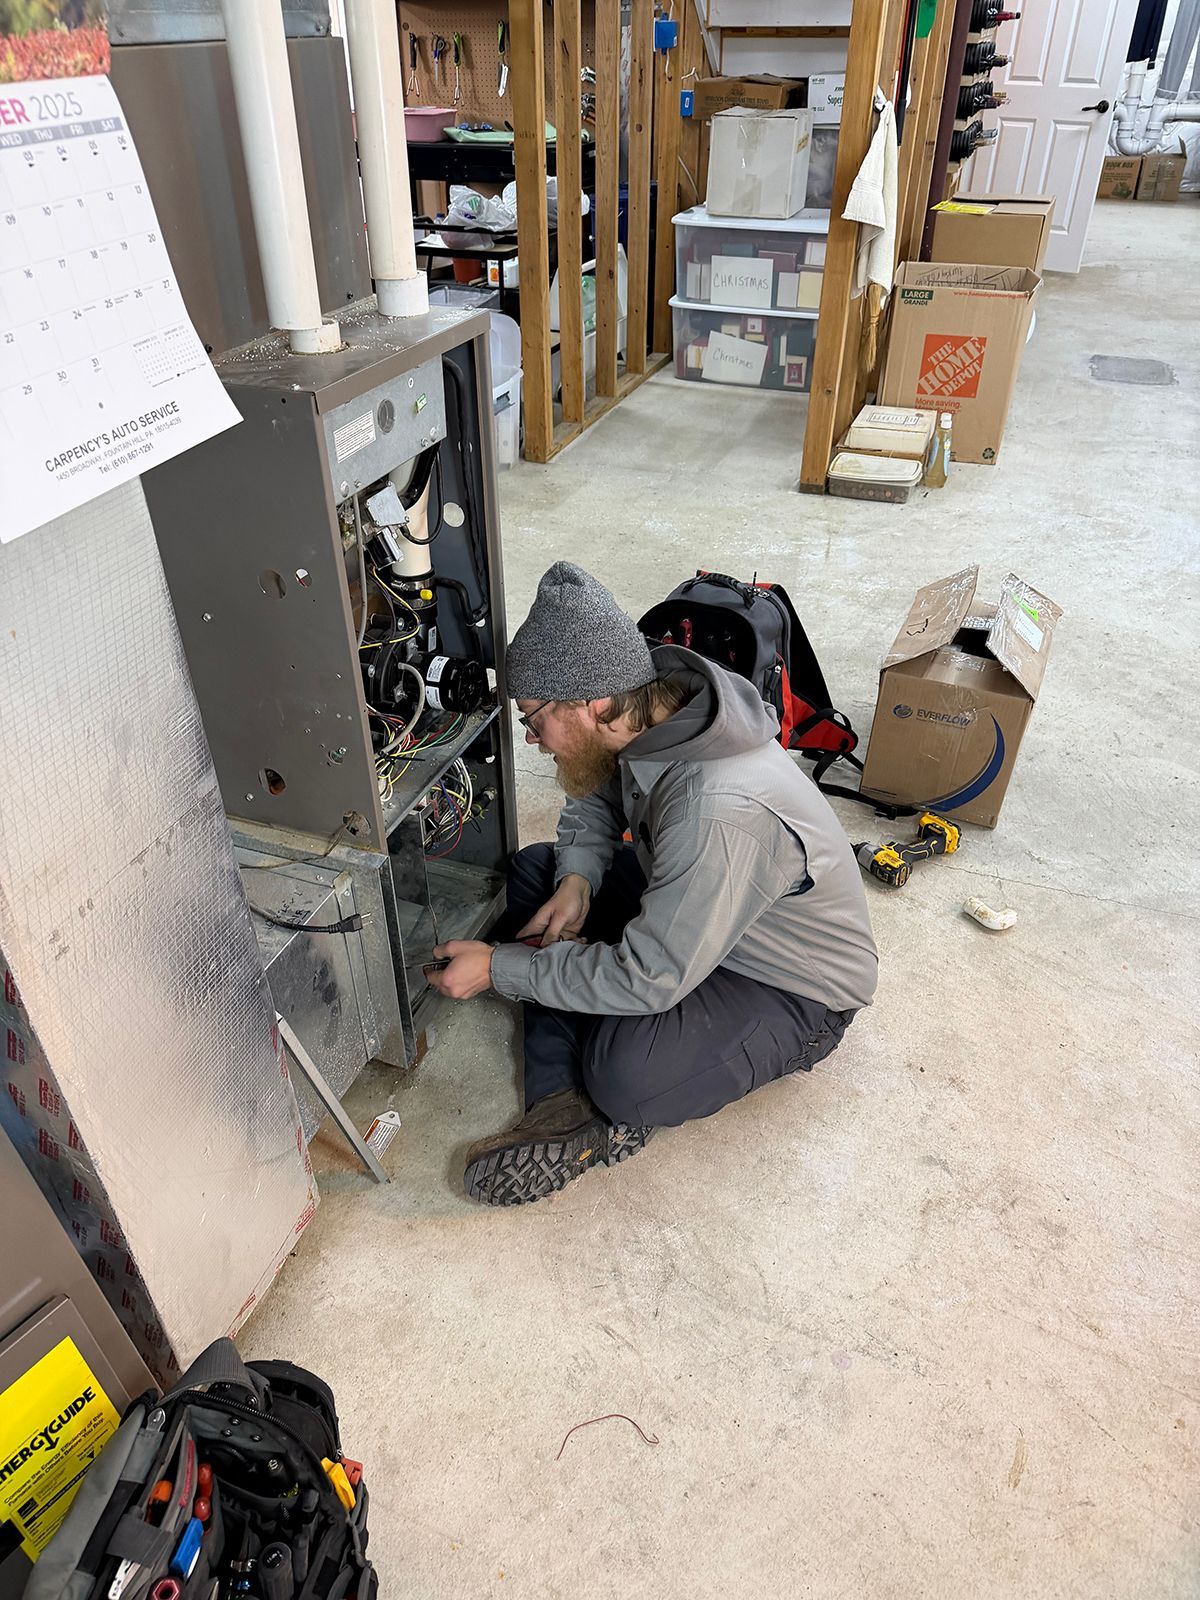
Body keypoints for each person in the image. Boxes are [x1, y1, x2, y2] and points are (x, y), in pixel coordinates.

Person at [428, 562, 878, 1205]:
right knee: (539, 871)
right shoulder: (654, 703)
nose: (531, 740)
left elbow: (648, 978)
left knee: (624, 1072)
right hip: (704, 914)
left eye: (534, 720)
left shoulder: (717, 812)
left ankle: (592, 1103)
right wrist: (580, 875)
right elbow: (595, 790)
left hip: (787, 986)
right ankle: (559, 1101)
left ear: (591, 704)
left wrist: (500, 971)